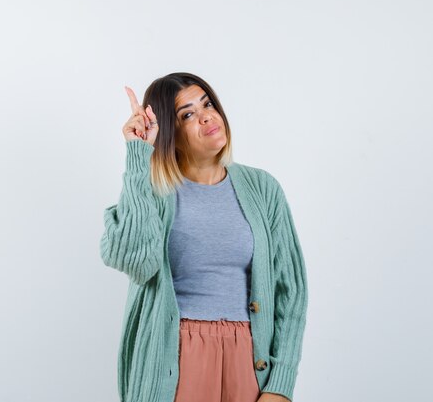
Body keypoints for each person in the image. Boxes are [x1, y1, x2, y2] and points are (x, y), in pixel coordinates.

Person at [99, 72, 308, 402]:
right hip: (176, 358)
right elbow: (133, 260)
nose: (207, 116)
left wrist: (279, 385)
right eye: (187, 114)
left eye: (207, 104)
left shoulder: (263, 189)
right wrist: (139, 155)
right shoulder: (154, 191)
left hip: (248, 359)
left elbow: (291, 291)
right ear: (172, 132)